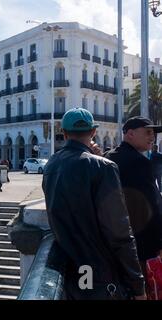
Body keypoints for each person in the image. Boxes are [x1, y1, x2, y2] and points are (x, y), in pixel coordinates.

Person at [42, 108, 145, 300]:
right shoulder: (103, 167)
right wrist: (138, 285)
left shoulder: (51, 165)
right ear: (93, 132)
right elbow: (119, 232)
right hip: (100, 274)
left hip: (70, 269)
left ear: (64, 133)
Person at [105, 116, 162, 276]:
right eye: (148, 132)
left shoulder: (108, 156)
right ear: (130, 134)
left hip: (112, 241)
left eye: (154, 133)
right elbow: (152, 206)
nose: (152, 137)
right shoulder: (139, 162)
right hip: (140, 245)